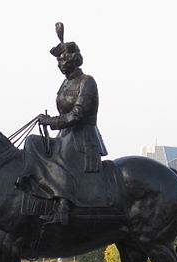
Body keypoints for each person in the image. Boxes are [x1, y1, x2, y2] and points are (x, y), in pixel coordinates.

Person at [37, 23, 107, 224]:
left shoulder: (87, 81)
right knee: (39, 148)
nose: (60, 64)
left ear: (74, 60)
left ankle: (63, 208)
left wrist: (52, 121)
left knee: (59, 161)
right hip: (65, 136)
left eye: (63, 60)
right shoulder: (65, 83)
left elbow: (77, 114)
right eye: (58, 61)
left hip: (82, 139)